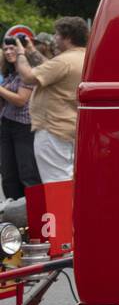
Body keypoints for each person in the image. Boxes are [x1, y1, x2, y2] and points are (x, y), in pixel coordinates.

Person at [14, 17, 87, 183]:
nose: (54, 38)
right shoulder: (84, 57)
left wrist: (20, 53)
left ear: (67, 38)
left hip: (53, 129)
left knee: (56, 181)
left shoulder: (63, 61)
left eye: (57, 35)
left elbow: (28, 77)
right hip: (71, 127)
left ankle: (60, 210)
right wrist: (31, 51)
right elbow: (51, 67)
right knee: (70, 178)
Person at [0, 38, 39, 204]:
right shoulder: (10, 73)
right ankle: (12, 213)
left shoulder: (27, 72)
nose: (9, 52)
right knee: (8, 174)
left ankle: (35, 212)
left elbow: (20, 100)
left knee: (27, 173)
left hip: (24, 128)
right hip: (7, 126)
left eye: (12, 48)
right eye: (6, 49)